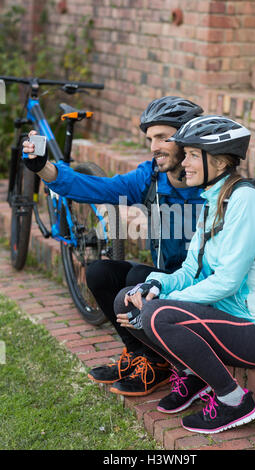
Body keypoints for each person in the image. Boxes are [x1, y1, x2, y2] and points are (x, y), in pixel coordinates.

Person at [114, 115, 255, 433]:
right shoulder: (212, 202)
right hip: (224, 320)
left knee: (157, 313)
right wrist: (155, 284)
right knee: (127, 299)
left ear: (220, 161)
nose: (184, 162)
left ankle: (235, 401)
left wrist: (160, 301)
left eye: (193, 155)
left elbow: (227, 281)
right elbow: (190, 270)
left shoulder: (245, 201)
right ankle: (194, 375)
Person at [22, 96, 205, 396]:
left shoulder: (213, 183)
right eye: (150, 138)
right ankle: (143, 357)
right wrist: (45, 168)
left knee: (137, 280)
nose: (154, 146)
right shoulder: (151, 177)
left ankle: (157, 360)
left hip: (199, 290)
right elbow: (101, 188)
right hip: (164, 282)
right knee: (99, 272)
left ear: (187, 137)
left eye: (163, 137)